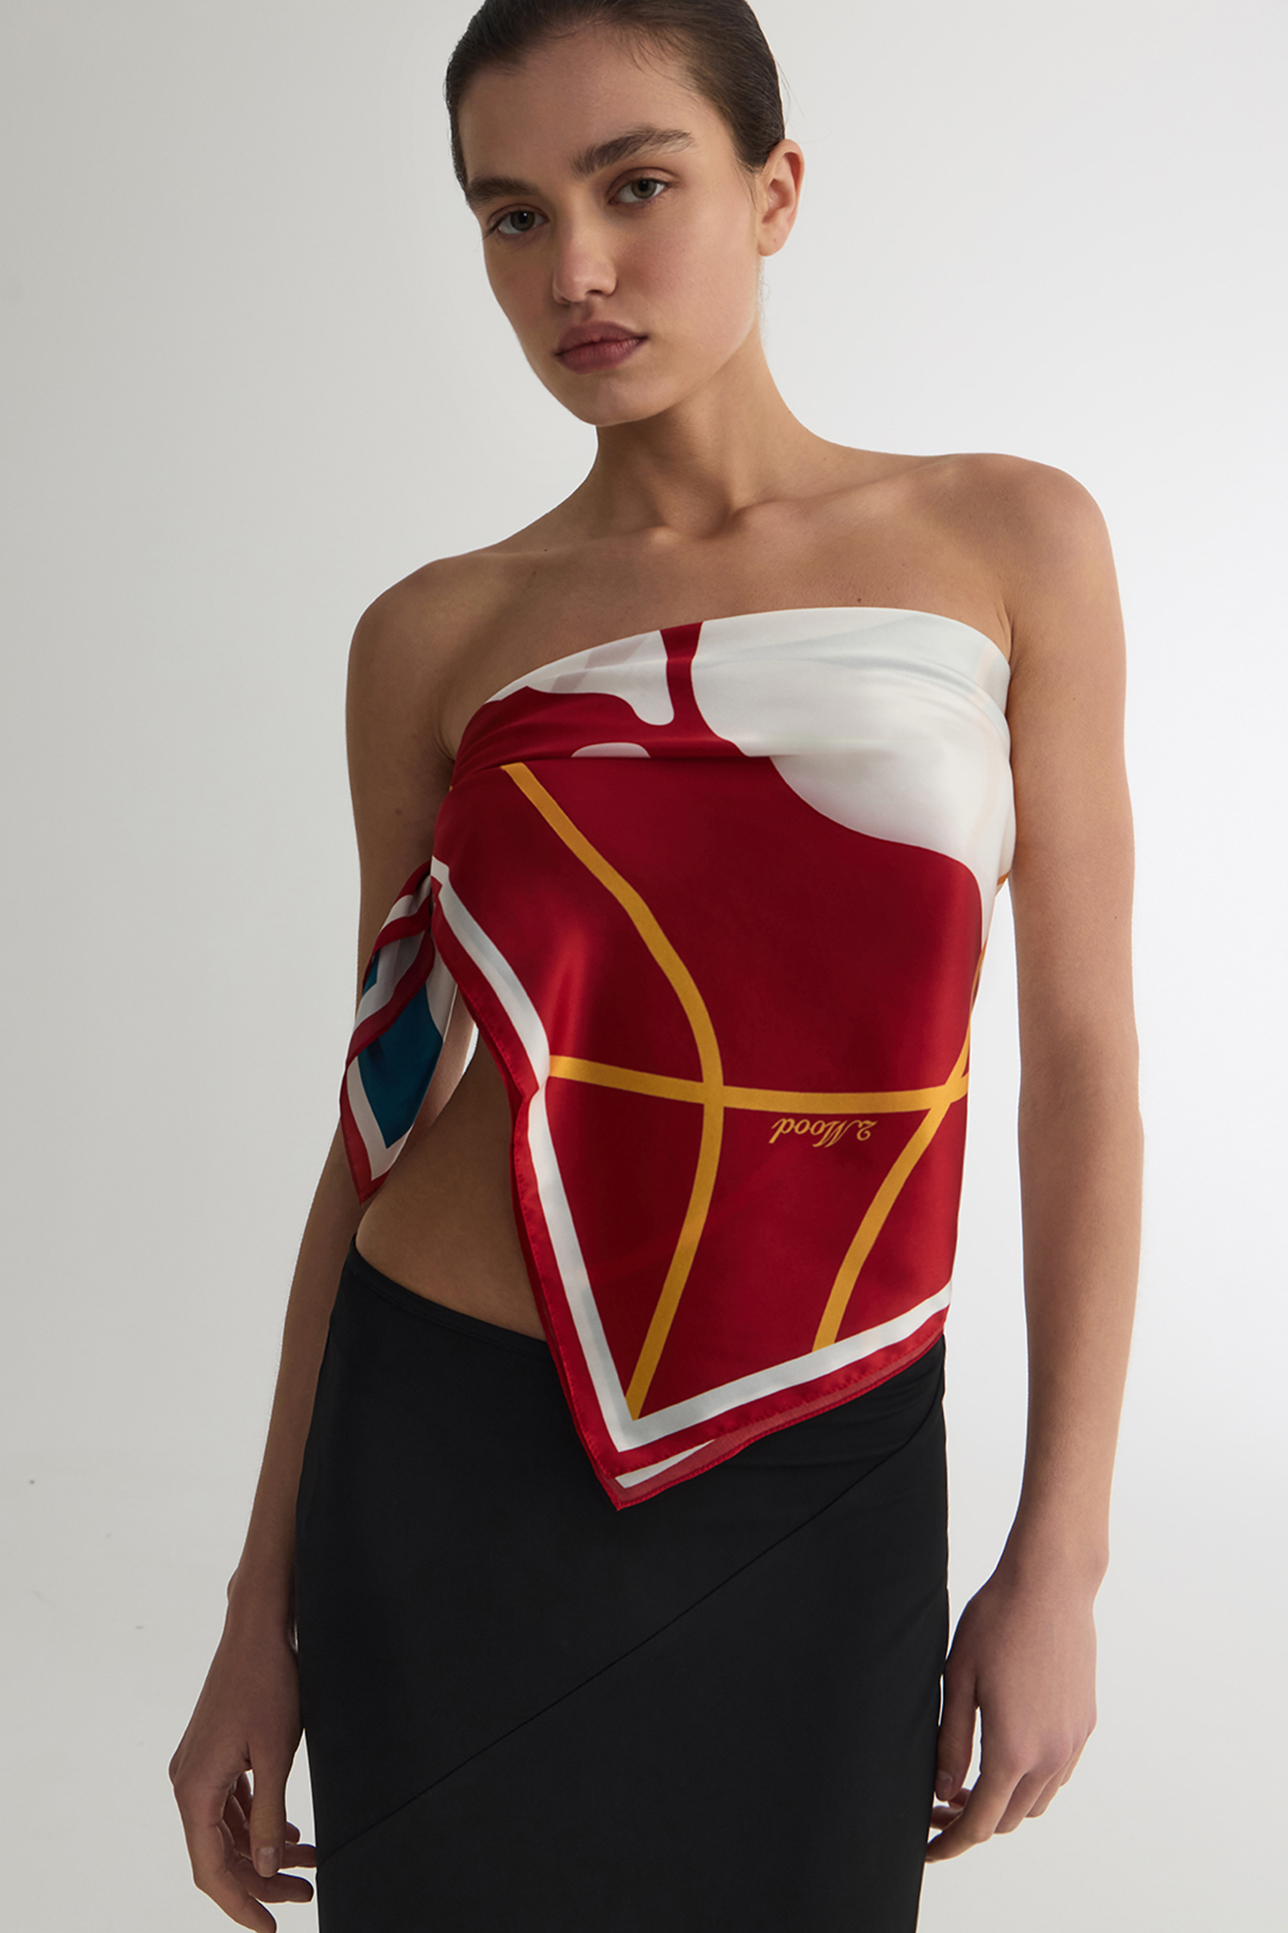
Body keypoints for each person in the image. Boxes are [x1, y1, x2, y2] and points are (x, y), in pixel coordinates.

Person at [168, 2, 1143, 1927]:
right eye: (514, 215)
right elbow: (376, 1118)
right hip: (447, 1454)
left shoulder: (1007, 537)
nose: (577, 273)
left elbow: (1087, 1066)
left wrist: (1063, 1555)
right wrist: (253, 1612)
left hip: (826, 1454)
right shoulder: (433, 634)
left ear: (775, 191)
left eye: (637, 186)